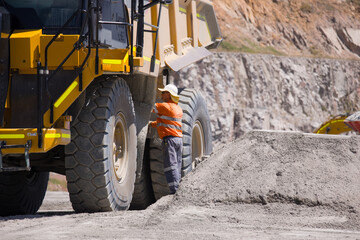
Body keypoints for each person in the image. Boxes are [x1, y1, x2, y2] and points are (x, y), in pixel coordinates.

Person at [150, 84, 183, 194]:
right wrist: (152, 124)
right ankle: (178, 189)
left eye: (164, 92)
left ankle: (174, 191)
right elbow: (167, 122)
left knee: (170, 166)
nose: (162, 94)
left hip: (170, 141)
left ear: (169, 95)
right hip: (178, 140)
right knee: (176, 165)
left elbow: (149, 107)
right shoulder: (177, 108)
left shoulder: (164, 106)